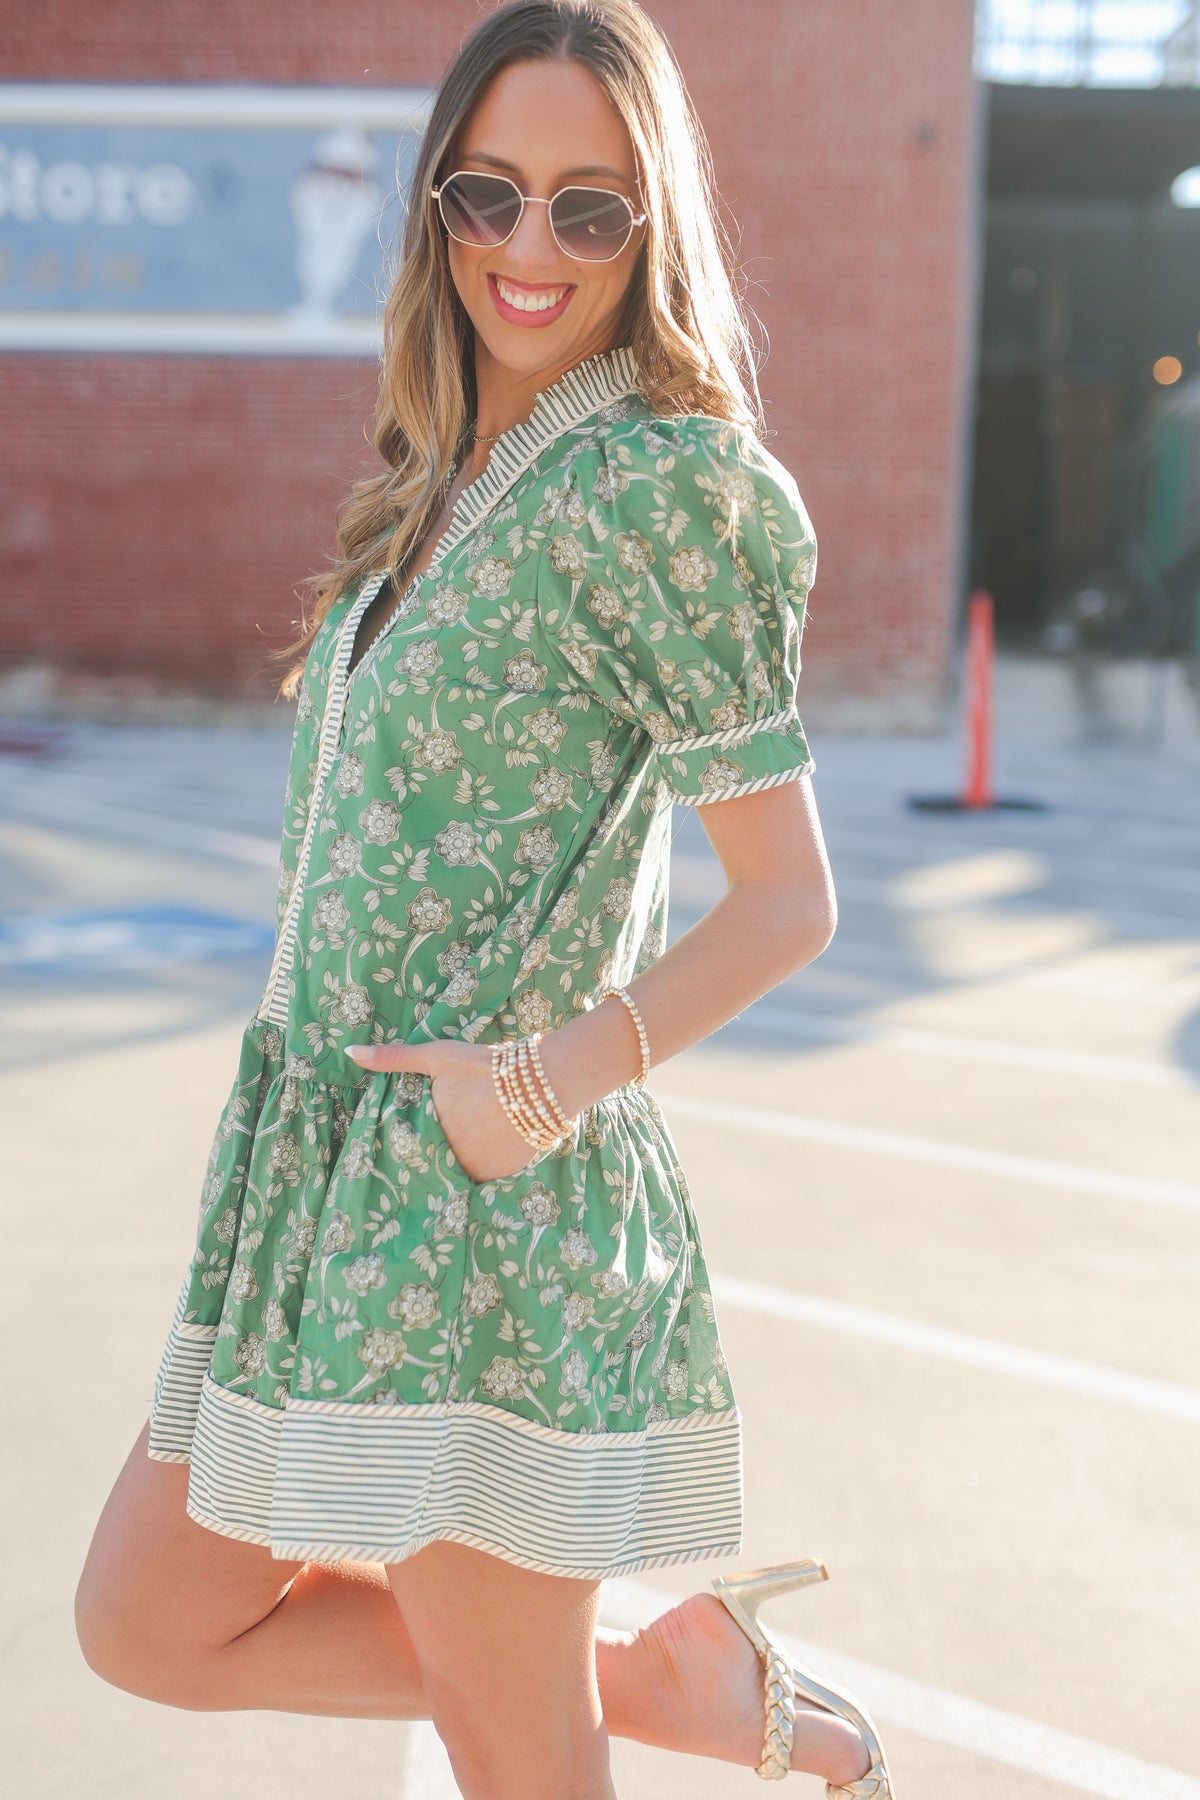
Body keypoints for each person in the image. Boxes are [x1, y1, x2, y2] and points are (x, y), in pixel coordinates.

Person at [73, 3, 896, 1796]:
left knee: (520, 1758)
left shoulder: (664, 492)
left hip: (477, 1213)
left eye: (590, 210)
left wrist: (528, 1098)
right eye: (491, 196)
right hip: (323, 1190)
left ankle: (658, 1694)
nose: (531, 249)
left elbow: (789, 901)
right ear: (436, 208)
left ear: (652, 223)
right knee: (145, 1618)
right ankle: (680, 1685)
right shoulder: (433, 477)